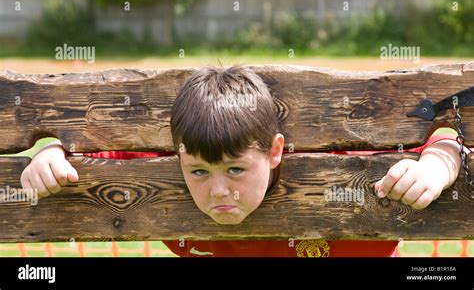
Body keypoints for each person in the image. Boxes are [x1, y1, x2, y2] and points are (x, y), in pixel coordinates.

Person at [19, 66, 469, 257]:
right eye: (198, 171)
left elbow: (448, 131)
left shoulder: (347, 167)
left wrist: (440, 164)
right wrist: (52, 152)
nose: (218, 192)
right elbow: (94, 150)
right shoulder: (156, 168)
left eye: (236, 169)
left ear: (275, 153)